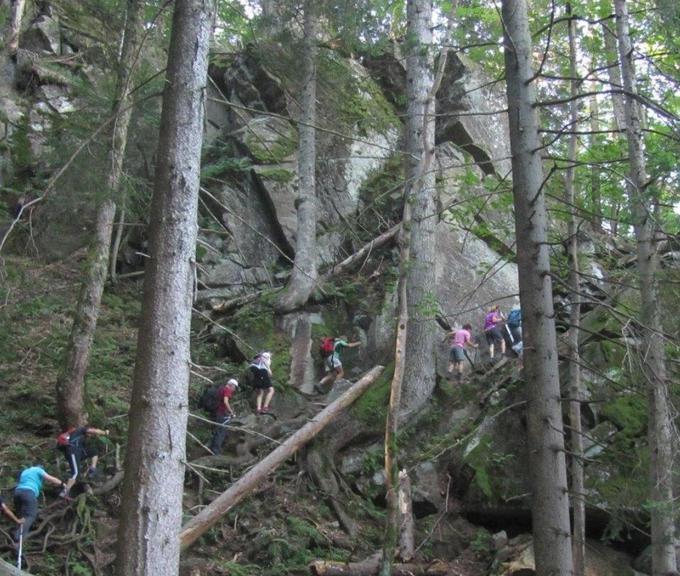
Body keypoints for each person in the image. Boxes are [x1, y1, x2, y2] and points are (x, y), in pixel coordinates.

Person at [14, 466, 65, 542]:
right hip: (28, 492)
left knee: (21, 516)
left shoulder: (25, 471)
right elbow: (51, 479)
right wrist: (63, 484)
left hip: (17, 492)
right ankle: (18, 538)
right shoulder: (38, 469)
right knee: (30, 515)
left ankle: (17, 532)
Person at [57, 425, 109, 497]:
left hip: (77, 453)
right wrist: (104, 432)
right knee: (75, 473)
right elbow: (94, 431)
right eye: (90, 434)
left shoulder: (79, 437)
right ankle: (65, 491)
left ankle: (92, 469)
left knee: (94, 452)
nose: (90, 435)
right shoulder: (80, 429)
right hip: (73, 453)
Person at [209, 378, 238, 454]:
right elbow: (225, 401)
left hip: (216, 412)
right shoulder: (227, 390)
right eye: (234, 387)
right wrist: (231, 412)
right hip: (221, 413)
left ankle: (213, 448)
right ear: (231, 385)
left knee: (218, 430)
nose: (234, 389)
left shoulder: (221, 389)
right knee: (221, 432)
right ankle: (216, 451)